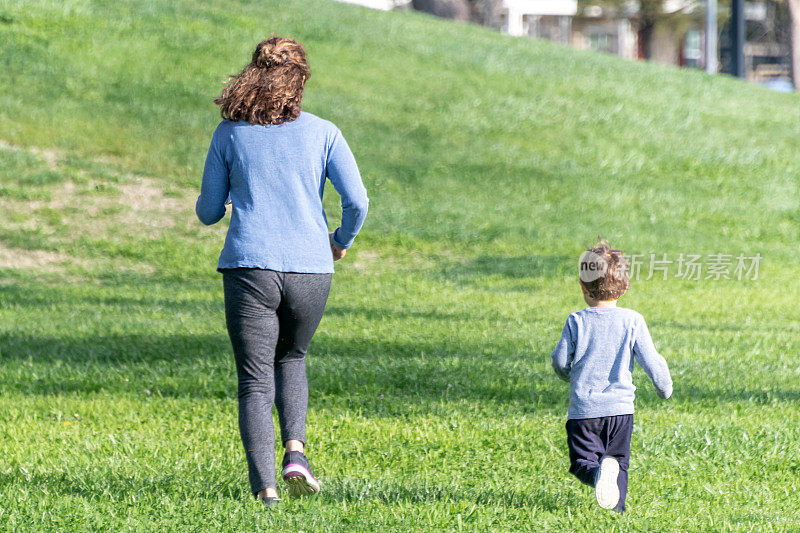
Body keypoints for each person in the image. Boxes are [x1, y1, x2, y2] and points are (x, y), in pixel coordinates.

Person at [195, 36, 369, 509]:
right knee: (291, 358)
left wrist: (228, 197)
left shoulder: (228, 134)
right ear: (300, 82)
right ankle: (297, 453)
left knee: (255, 379)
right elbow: (357, 202)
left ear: (254, 75)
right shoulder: (324, 131)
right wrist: (339, 241)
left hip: (250, 266)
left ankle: (266, 493)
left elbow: (209, 211)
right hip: (312, 269)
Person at [550, 239, 672, 512]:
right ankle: (617, 511)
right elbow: (652, 361)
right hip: (621, 411)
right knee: (617, 462)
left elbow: (559, 361)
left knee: (582, 463)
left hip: (584, 411)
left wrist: (568, 375)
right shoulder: (633, 320)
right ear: (625, 287)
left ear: (583, 285)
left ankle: (596, 476)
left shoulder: (576, 320)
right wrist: (664, 388)